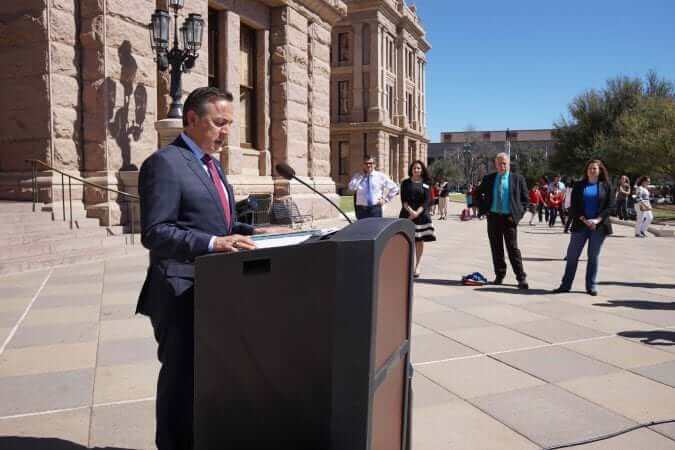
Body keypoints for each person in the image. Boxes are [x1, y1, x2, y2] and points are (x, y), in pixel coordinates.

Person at [137, 87, 284, 450]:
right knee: (181, 380)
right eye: (219, 123)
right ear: (192, 119)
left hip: (214, 287)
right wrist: (214, 243)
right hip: (179, 290)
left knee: (208, 377)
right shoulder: (165, 164)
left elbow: (218, 222)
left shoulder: (211, 163)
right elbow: (156, 232)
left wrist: (252, 232)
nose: (226, 132)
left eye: (230, 124)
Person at [552, 160, 615, 296]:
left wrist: (597, 220)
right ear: (586, 170)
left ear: (600, 170)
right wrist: (585, 220)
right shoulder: (579, 185)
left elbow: (610, 207)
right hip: (581, 225)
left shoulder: (607, 186)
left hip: (598, 227)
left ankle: (591, 286)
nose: (592, 170)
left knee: (593, 256)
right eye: (589, 168)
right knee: (572, 256)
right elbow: (574, 206)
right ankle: (565, 285)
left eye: (594, 168)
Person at [476, 153, 529, 289]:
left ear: (508, 164)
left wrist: (517, 216)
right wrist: (484, 209)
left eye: (504, 163)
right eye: (499, 163)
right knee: (496, 248)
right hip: (493, 217)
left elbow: (525, 200)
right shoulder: (489, 179)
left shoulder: (517, 179)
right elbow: (477, 193)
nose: (502, 166)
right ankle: (499, 275)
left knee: (513, 249)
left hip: (509, 219)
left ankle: (521, 277)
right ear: (495, 164)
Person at [399, 160, 436, 277]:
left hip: (421, 216)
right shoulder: (405, 183)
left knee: (419, 241)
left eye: (419, 168)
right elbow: (403, 200)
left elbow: (427, 201)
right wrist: (411, 212)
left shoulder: (426, 183)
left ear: (422, 170)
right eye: (414, 168)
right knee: (406, 241)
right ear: (411, 169)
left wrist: (417, 213)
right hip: (407, 215)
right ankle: (407, 265)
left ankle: (417, 266)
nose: (416, 170)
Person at [348, 154, 399, 219]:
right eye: (366, 163)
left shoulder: (380, 176)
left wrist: (385, 200)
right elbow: (351, 188)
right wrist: (360, 177)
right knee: (362, 225)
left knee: (376, 225)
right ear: (363, 165)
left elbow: (395, 188)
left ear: (375, 165)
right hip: (361, 209)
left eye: (371, 163)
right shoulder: (357, 176)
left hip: (375, 208)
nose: (368, 165)